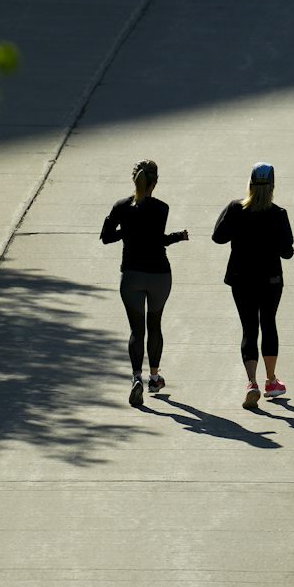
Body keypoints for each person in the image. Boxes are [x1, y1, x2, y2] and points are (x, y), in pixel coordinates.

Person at [100, 160, 188, 407]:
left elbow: (106, 237)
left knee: (136, 331)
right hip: (159, 275)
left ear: (133, 179)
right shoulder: (162, 208)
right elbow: (156, 240)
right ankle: (154, 377)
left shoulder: (120, 206)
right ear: (155, 182)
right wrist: (178, 237)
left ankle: (136, 377)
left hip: (131, 276)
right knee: (155, 325)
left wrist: (125, 231)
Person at [212, 162, 294, 411]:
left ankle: (251, 383)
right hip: (270, 279)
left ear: (249, 183)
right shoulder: (278, 214)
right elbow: (287, 252)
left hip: (241, 277)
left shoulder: (236, 209)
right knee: (268, 324)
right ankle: (271, 381)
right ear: (272, 186)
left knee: (249, 328)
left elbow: (218, 236)